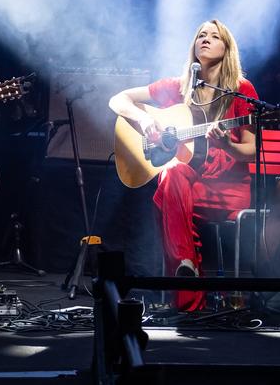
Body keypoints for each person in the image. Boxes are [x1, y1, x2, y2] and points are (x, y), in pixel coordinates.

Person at [108, 19, 259, 311]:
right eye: (201, 35)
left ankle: (187, 297)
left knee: (166, 196)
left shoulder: (241, 90)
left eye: (214, 36)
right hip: (188, 183)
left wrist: (227, 144)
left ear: (227, 48)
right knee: (172, 174)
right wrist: (144, 119)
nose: (205, 39)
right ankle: (187, 266)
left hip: (226, 189)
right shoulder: (178, 88)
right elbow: (118, 99)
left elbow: (252, 151)